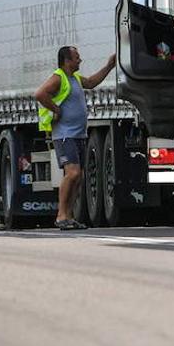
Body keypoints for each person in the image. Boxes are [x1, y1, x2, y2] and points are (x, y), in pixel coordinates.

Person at [35, 46, 117, 230]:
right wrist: (55, 109)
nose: (80, 60)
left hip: (78, 134)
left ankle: (69, 216)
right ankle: (61, 215)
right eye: (77, 58)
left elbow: (91, 82)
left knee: (78, 177)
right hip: (65, 135)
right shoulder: (58, 77)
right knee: (72, 173)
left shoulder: (75, 79)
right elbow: (40, 94)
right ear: (67, 60)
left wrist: (109, 66)